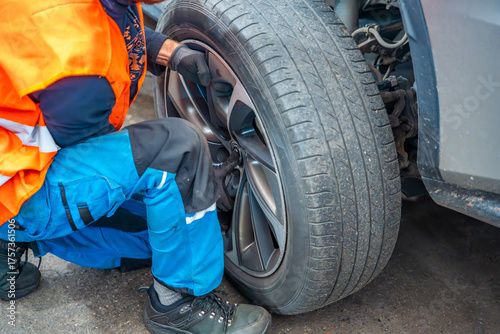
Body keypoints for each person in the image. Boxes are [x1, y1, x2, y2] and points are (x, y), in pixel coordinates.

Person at [0, 0, 272, 333]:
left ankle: (7, 243)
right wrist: (198, 184)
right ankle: (177, 304)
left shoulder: (69, 19)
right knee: (177, 154)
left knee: (171, 231)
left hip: (9, 156)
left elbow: (103, 29)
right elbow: (95, 151)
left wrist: (168, 52)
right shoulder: (81, 74)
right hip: (20, 190)